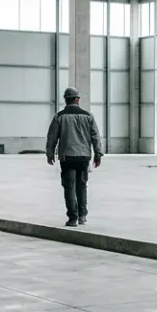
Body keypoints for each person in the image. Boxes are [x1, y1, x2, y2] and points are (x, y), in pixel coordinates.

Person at [46, 87, 103, 226]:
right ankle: (82, 215)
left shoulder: (59, 116)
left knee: (69, 187)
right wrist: (98, 154)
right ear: (77, 99)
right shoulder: (88, 116)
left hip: (67, 157)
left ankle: (73, 218)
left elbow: (52, 137)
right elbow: (95, 136)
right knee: (82, 186)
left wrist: (50, 153)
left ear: (66, 100)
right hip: (84, 157)